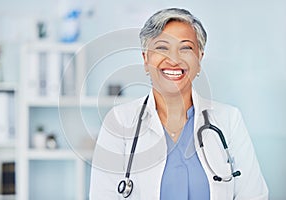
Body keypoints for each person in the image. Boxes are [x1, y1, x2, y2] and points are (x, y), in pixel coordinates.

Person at [89, 8, 268, 200]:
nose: (174, 60)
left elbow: (253, 195)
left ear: (199, 59)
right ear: (146, 59)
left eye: (186, 48)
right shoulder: (119, 121)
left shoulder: (229, 120)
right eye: (161, 48)